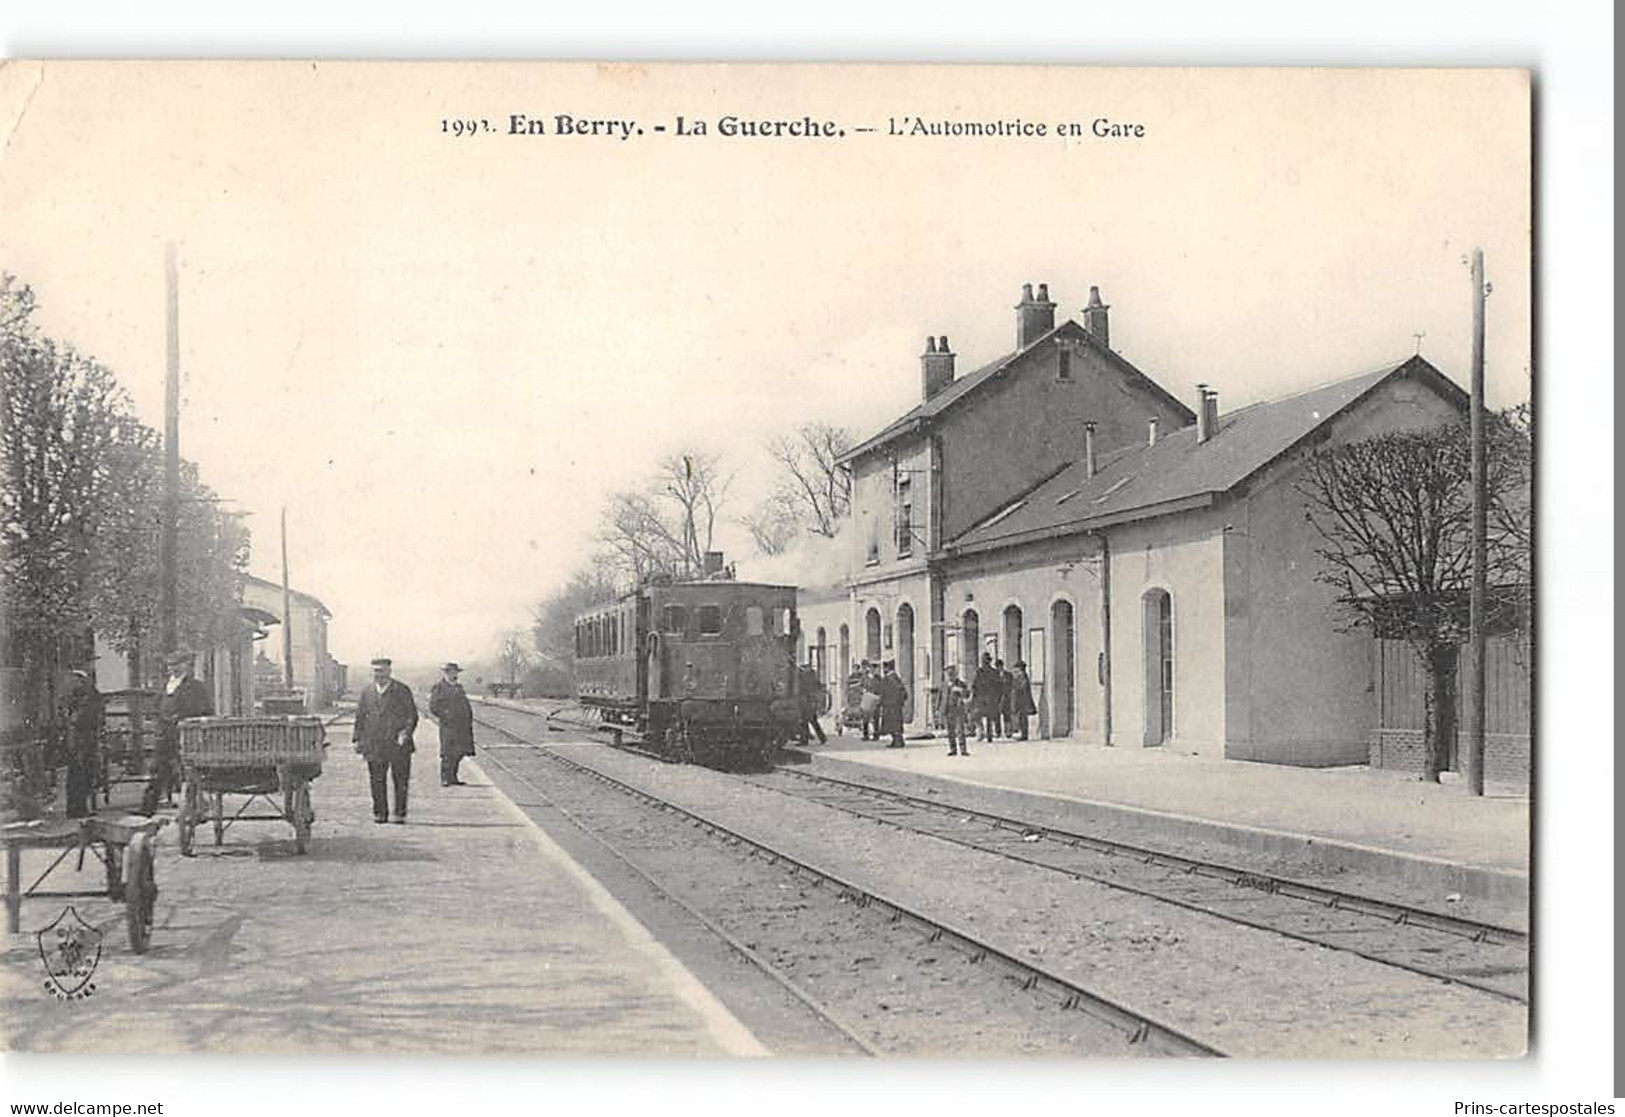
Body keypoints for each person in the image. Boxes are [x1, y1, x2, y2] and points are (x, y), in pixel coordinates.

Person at [142, 650, 213, 816]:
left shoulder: (196, 687)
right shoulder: (164, 686)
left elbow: (207, 710)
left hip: (187, 734)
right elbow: (155, 707)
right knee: (158, 769)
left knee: (190, 772)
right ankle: (147, 809)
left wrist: (186, 719)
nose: (173, 668)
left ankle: (197, 809)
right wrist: (159, 721)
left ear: (186, 666)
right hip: (165, 734)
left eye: (177, 664)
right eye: (170, 665)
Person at [353, 656, 418, 823]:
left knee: (400, 780)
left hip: (398, 744)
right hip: (375, 744)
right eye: (375, 671)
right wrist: (358, 739)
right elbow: (360, 716)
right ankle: (380, 813)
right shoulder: (367, 692)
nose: (378, 675)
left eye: (382, 671)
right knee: (376, 780)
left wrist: (406, 732)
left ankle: (399, 813)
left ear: (389, 671)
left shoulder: (402, 690)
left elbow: (412, 715)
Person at [60, 669, 104, 818]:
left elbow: (96, 716)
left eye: (80, 678)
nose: (77, 681)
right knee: (78, 773)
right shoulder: (78, 695)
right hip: (79, 738)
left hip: (86, 737)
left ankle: (79, 808)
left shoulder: (91, 695)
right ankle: (76, 809)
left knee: (84, 773)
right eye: (76, 678)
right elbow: (75, 718)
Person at [429, 662, 475, 786]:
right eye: (450, 672)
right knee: (448, 752)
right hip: (448, 726)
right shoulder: (439, 687)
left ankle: (453, 777)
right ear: (446, 673)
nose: (453, 674)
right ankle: (445, 778)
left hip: (461, 726)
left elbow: (464, 705)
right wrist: (446, 714)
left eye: (455, 672)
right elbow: (433, 706)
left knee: (459, 752)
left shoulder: (459, 687)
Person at [940, 664, 971, 757]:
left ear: (955, 674)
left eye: (952, 674)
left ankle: (963, 750)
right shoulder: (944, 684)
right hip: (947, 710)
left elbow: (967, 695)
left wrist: (961, 690)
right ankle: (952, 749)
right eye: (948, 674)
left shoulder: (961, 684)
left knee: (960, 730)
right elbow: (940, 697)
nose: (950, 676)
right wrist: (938, 709)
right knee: (950, 731)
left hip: (958, 710)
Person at [971, 653, 1001, 743]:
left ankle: (982, 731)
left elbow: (974, 685)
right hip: (990, 698)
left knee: (977, 716)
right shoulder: (995, 672)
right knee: (989, 717)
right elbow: (999, 686)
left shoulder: (979, 672)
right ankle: (988, 734)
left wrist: (974, 696)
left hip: (982, 698)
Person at [878, 659, 907, 749]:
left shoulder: (889, 678)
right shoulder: (895, 677)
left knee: (893, 724)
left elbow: (883, 691)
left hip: (890, 706)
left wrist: (882, 701)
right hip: (894, 706)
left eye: (884, 667)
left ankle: (898, 741)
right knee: (895, 724)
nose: (883, 670)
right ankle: (897, 741)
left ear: (887, 668)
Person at [796, 661, 827, 746]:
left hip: (806, 701)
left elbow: (801, 687)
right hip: (811, 701)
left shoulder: (805, 677)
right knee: (812, 721)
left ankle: (804, 740)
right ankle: (822, 737)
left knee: (804, 721)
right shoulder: (812, 676)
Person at [1009, 660, 1037, 741]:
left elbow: (1022, 688)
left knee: (1022, 718)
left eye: (1017, 668)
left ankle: (1024, 735)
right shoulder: (1021, 676)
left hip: (1022, 701)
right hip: (1022, 700)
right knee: (1021, 717)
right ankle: (1023, 734)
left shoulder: (1022, 676)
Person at [860, 661, 883, 741]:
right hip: (867, 698)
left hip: (876, 698)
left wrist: (879, 696)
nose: (874, 669)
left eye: (875, 668)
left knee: (876, 717)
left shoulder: (878, 678)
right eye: (872, 667)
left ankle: (876, 734)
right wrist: (863, 690)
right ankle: (866, 735)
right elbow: (861, 686)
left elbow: (881, 688)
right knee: (865, 717)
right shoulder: (865, 677)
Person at [996, 658, 1013, 737]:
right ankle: (998, 732)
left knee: (1007, 715)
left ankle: (1008, 731)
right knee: (996, 715)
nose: (999, 668)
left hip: (1006, 697)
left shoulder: (1008, 675)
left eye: (1000, 666)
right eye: (998, 666)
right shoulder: (994, 675)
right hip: (997, 697)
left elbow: (1011, 685)